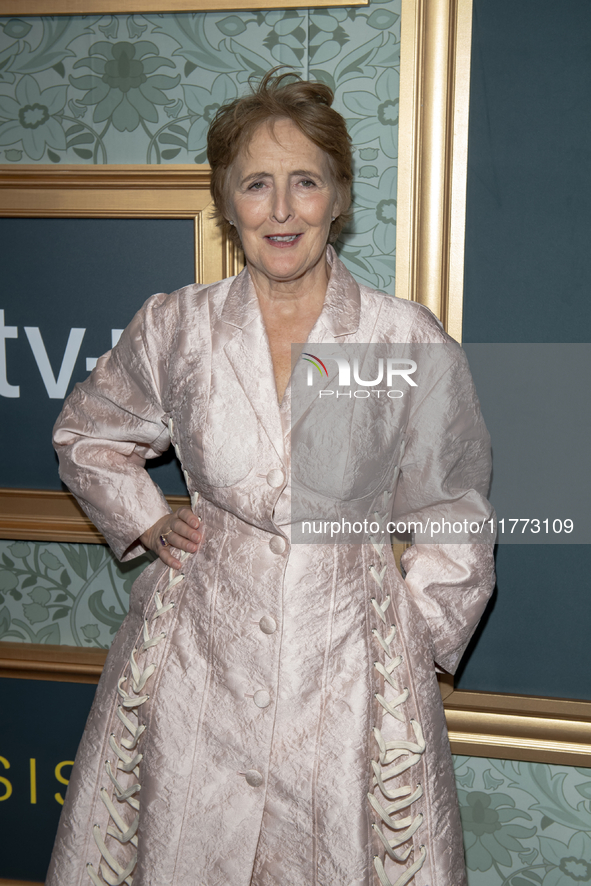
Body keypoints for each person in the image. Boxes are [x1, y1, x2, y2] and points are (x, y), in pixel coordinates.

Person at [47, 70, 495, 886]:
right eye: (256, 185)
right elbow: (87, 434)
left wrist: (409, 634)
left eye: (304, 183)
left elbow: (453, 505)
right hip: (196, 660)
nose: (281, 210)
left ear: (339, 197)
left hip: (351, 669)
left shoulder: (403, 338)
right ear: (227, 203)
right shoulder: (176, 327)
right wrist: (143, 515)